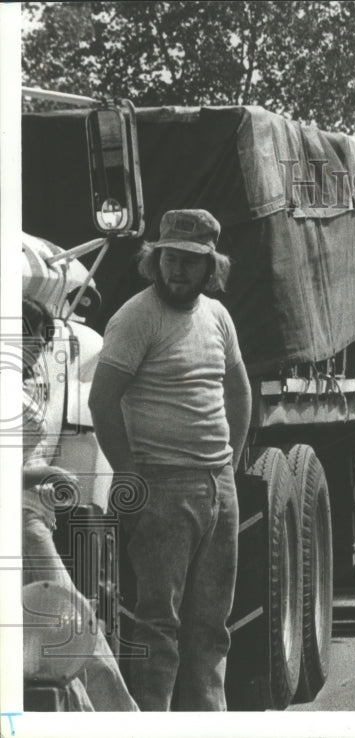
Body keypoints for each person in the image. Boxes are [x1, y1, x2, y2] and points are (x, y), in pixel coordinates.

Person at [89, 209, 252, 711]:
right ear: (155, 259)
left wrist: (229, 468)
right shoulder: (137, 317)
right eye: (170, 258)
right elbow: (102, 400)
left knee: (211, 628)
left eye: (191, 261)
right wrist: (131, 474)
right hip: (160, 488)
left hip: (217, 488)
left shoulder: (217, 317)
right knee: (158, 626)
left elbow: (239, 391)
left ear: (211, 269)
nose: (178, 269)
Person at [21, 298, 138, 711]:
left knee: (45, 632)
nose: (41, 345)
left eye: (44, 337)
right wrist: (44, 475)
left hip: (33, 515)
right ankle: (117, 717)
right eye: (34, 335)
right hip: (23, 523)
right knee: (73, 623)